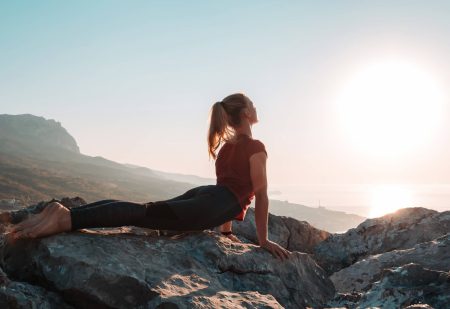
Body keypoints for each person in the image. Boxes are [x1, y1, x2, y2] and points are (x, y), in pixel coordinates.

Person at [7, 93, 291, 261]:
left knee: (144, 212)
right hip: (210, 203)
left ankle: (66, 213)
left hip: (205, 197)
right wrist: (263, 241)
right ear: (245, 113)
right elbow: (259, 194)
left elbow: (227, 190)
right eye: (253, 104)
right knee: (141, 215)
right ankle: (67, 219)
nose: (257, 108)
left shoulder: (226, 148)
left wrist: (226, 231)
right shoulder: (256, 147)